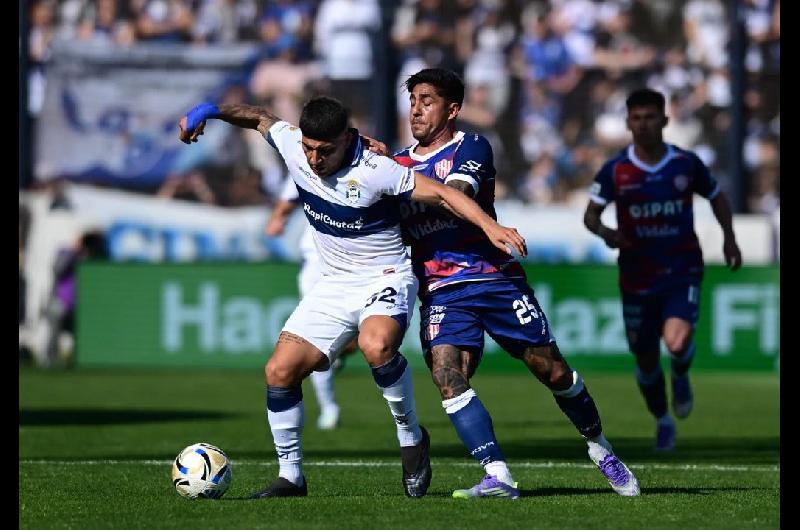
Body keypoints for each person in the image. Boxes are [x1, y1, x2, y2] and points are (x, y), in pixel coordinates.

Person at [179, 95, 527, 499]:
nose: (314, 159)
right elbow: (257, 116)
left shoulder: (377, 170)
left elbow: (446, 195)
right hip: (333, 283)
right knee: (278, 372)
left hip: (385, 276)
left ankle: (411, 437)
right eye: (309, 148)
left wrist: (490, 227)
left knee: (375, 345)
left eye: (325, 150)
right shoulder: (293, 143)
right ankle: (291, 477)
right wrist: (205, 111)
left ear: (347, 138)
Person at [382, 68, 639, 498]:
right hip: (442, 289)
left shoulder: (474, 147)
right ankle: (497, 474)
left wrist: (394, 181)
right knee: (448, 374)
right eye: (413, 100)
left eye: (427, 100)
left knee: (552, 370)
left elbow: (454, 191)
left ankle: (600, 447)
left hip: (493, 278)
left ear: (453, 109)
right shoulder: (395, 165)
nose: (416, 108)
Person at [583, 88, 742, 451]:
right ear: (627, 123)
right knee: (645, 357)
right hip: (637, 275)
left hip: (681, 267)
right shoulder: (616, 170)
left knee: (677, 340)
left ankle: (682, 372)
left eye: (650, 117)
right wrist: (607, 233)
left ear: (665, 121)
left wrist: (729, 238)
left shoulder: (685, 163)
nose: (643, 124)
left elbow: (717, 196)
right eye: (636, 118)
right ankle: (663, 419)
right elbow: (591, 215)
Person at [265, 176, 360, 430]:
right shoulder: (301, 159)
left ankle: (344, 349)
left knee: (370, 337)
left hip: (355, 260)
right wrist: (278, 218)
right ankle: (329, 407)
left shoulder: (361, 163)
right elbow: (288, 198)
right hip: (315, 263)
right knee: (314, 338)